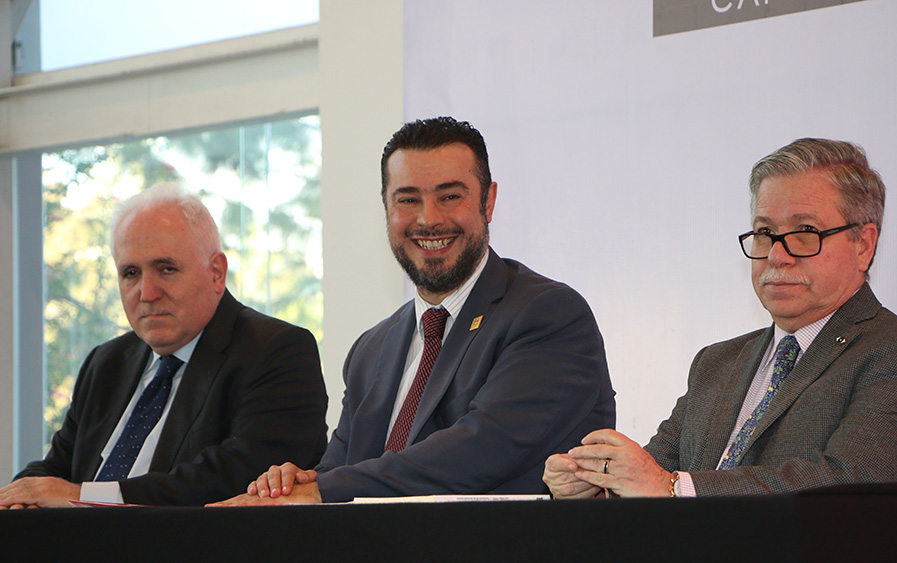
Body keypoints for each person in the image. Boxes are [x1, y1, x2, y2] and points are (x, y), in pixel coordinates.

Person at [211, 116, 614, 506]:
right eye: (408, 200)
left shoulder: (549, 315)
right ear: (386, 207)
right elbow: (339, 473)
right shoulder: (371, 349)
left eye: (449, 196)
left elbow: (482, 450)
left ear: (488, 201)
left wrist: (320, 490)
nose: (429, 219)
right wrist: (293, 484)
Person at [544, 138, 897, 498]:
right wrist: (599, 487)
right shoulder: (717, 362)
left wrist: (674, 487)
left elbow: (854, 486)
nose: (778, 255)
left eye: (805, 232)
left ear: (863, 244)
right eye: (765, 233)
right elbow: (656, 475)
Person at [0, 184, 328, 508]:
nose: (147, 292)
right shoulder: (107, 362)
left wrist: (81, 496)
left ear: (216, 273)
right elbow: (56, 469)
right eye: (130, 273)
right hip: (74, 541)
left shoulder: (275, 350)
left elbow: (235, 479)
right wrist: (19, 498)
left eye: (166, 269)